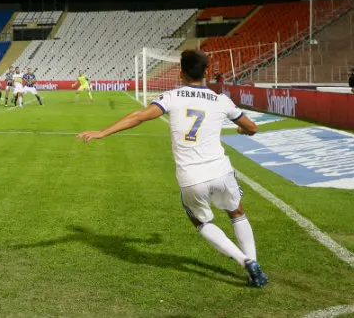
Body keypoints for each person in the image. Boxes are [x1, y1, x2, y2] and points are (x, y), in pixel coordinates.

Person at [76, 50, 268, 287]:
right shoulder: (221, 100)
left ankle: (244, 261)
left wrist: (102, 132)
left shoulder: (172, 96)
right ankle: (254, 263)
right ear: (207, 72)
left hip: (191, 177)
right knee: (236, 213)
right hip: (221, 171)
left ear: (180, 73)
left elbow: (139, 116)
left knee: (201, 222)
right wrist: (243, 130)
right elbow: (252, 128)